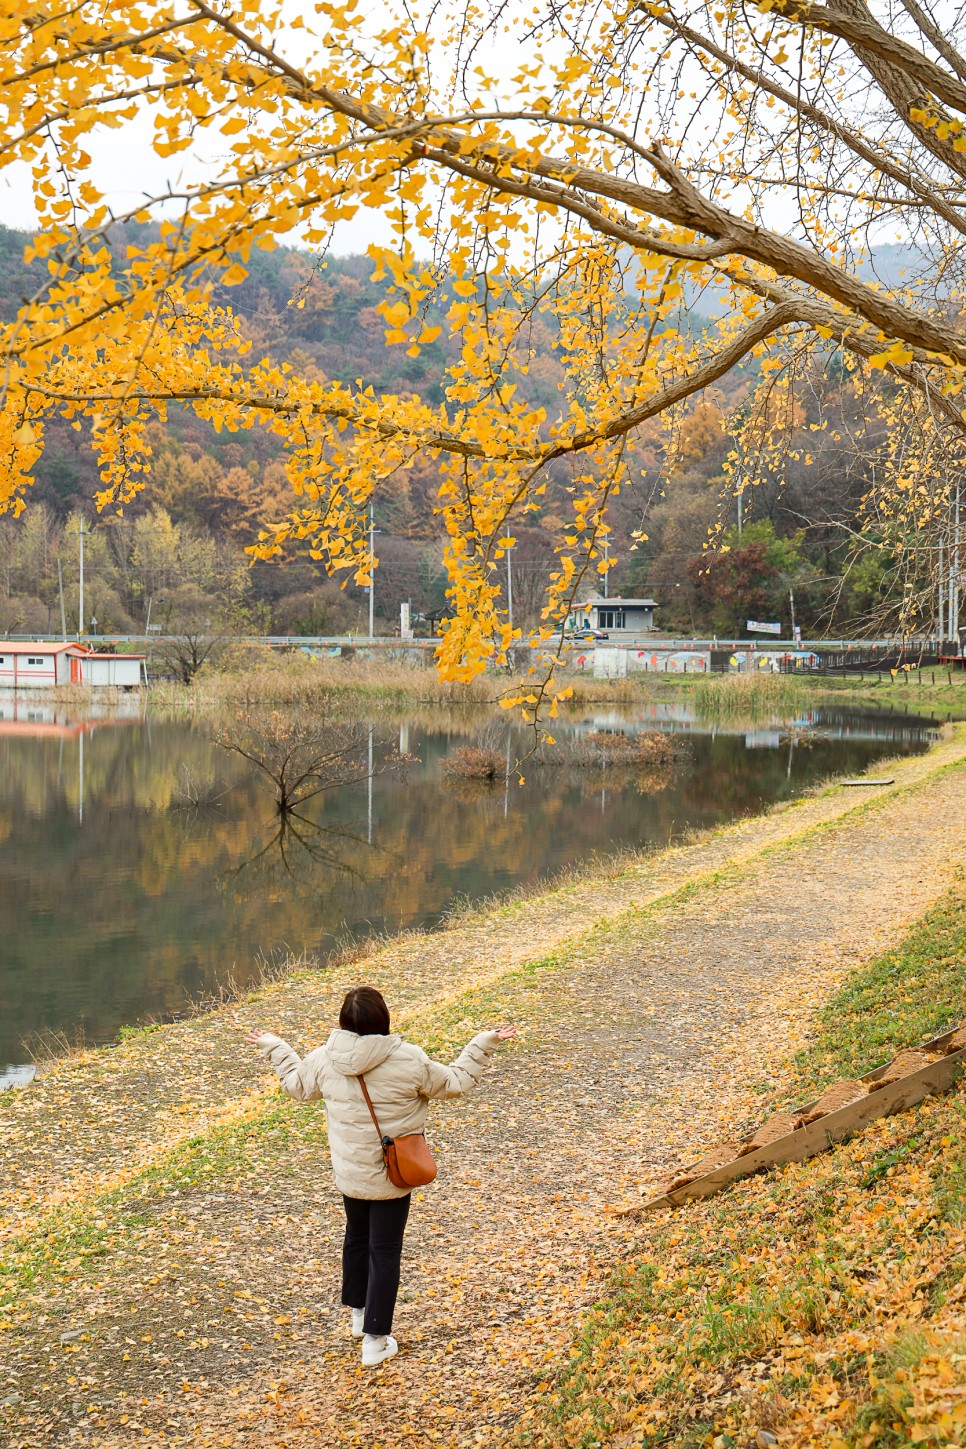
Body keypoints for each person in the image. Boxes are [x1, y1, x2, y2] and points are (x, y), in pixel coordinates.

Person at [246, 987, 516, 1368]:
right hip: (394, 1174)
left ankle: (359, 1318)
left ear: (343, 1022)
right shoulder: (408, 1059)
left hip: (350, 1174)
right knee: (384, 1249)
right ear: (384, 1020)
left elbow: (295, 1085)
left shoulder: (324, 1059)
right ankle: (375, 1340)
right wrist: (482, 1043)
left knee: (356, 1237)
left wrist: (275, 1046)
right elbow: (455, 1084)